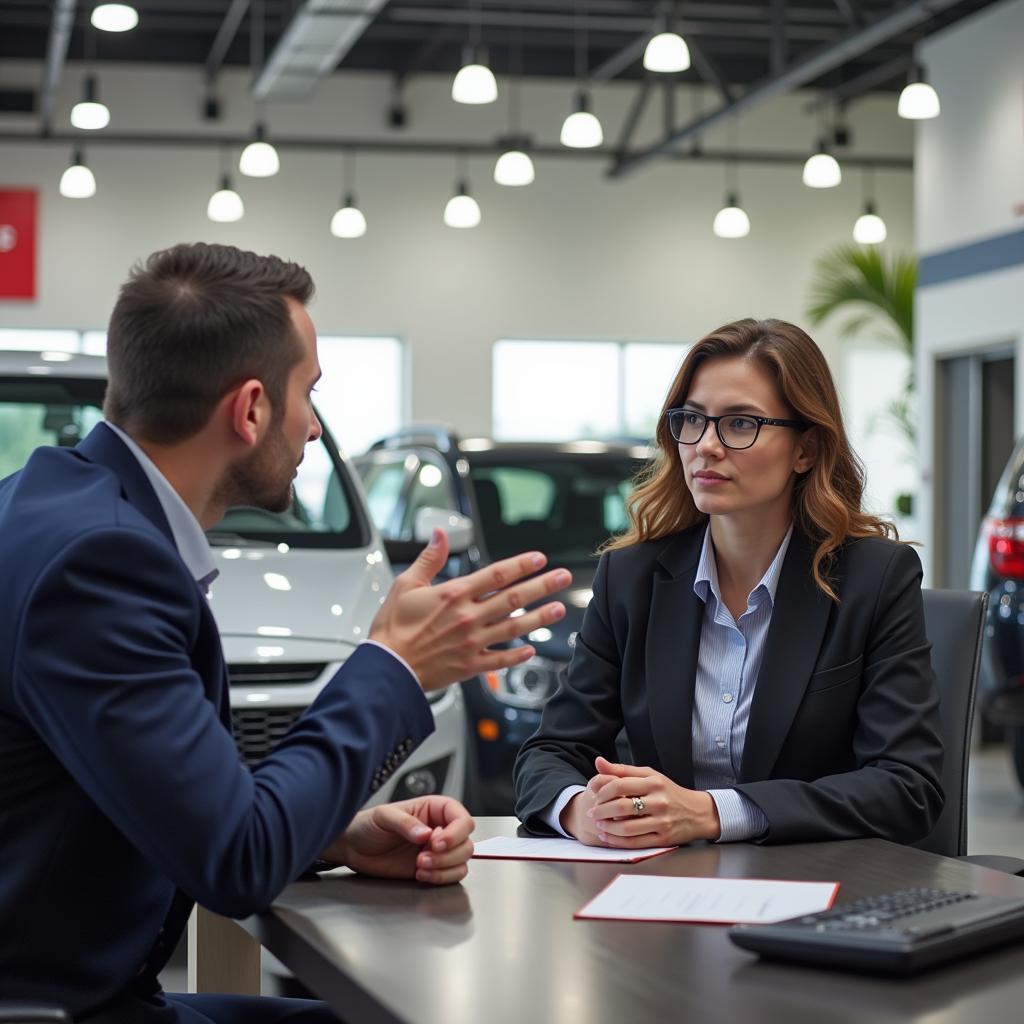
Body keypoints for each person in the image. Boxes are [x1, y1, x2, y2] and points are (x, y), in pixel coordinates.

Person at [0, 242, 571, 1023]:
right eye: (310, 392)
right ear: (251, 409)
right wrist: (393, 664)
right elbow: (235, 859)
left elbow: (181, 807)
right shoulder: (100, 566)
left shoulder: (59, 506)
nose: (312, 425)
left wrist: (333, 837)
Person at [514, 317, 943, 850]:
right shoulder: (632, 578)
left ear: (805, 450)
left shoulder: (873, 578)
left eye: (741, 424)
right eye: (692, 419)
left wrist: (715, 813)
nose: (707, 446)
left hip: (819, 894)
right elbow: (549, 752)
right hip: (662, 895)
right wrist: (581, 811)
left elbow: (907, 786)